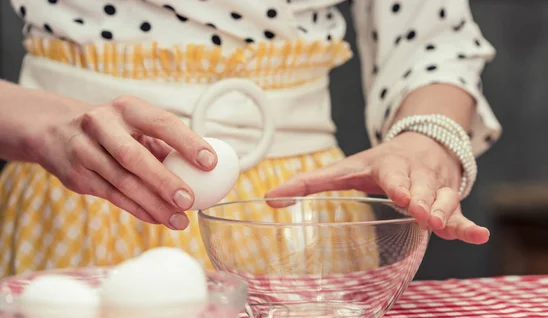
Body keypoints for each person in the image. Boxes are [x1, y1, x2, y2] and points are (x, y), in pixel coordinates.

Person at [0, 0, 501, 277]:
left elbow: (434, 40)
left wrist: (425, 141)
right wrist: (44, 123)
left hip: (295, 218)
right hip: (88, 190)